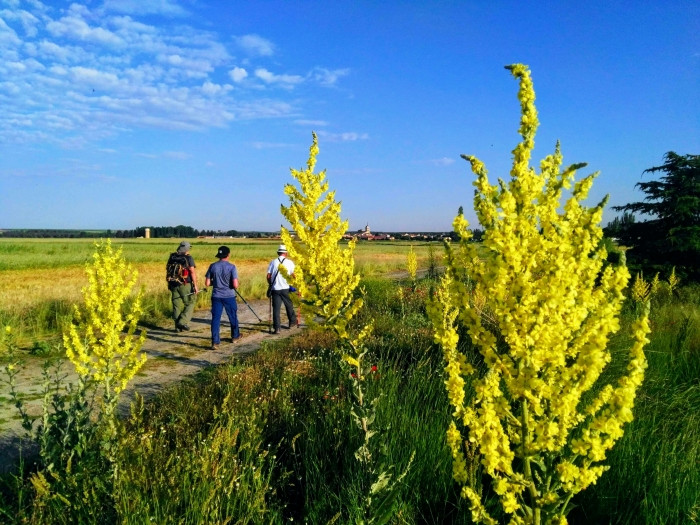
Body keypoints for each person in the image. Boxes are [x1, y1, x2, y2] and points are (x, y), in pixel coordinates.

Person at [205, 245, 240, 350]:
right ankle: (235, 336)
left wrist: (214, 282)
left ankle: (215, 342)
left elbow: (207, 283)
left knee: (216, 319)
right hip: (229, 296)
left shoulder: (213, 266)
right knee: (232, 316)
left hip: (216, 296)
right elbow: (235, 285)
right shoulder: (232, 267)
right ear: (228, 255)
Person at [167, 241, 198, 332]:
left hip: (173, 283)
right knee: (190, 302)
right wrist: (195, 285)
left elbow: (168, 270)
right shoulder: (188, 258)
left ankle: (177, 327)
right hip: (185, 284)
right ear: (187, 249)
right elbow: (192, 272)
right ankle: (183, 322)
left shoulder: (172, 256)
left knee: (176, 306)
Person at [267, 244, 297, 334]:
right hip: (285, 288)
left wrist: (270, 283)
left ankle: (277, 328)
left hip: (275, 289)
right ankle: (292, 322)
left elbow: (268, 275)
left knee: (276, 309)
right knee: (289, 305)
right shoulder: (289, 263)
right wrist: (296, 284)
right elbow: (294, 275)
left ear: (278, 253)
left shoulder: (273, 262)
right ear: (286, 253)